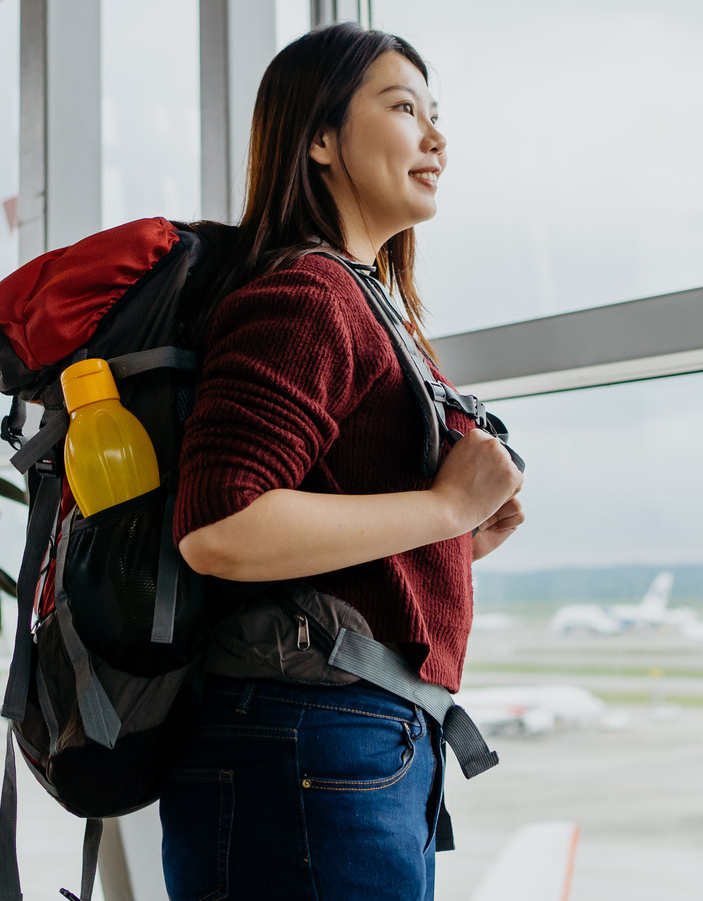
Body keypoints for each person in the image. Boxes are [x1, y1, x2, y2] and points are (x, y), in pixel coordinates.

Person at [162, 22, 525, 901]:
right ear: (319, 138)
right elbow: (219, 526)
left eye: (437, 114)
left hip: (348, 737)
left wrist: (459, 534)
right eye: (404, 108)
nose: (436, 138)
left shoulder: (369, 300)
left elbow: (318, 546)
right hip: (307, 738)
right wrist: (441, 509)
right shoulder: (308, 295)